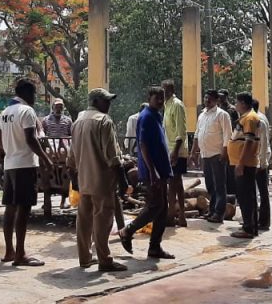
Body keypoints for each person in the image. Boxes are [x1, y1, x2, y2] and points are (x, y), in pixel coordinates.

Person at [67, 88, 130, 272]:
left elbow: (71, 157)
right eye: (106, 101)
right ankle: (105, 260)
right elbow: (112, 156)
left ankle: (84, 257)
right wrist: (123, 181)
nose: (109, 105)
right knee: (103, 220)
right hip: (101, 179)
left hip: (84, 178)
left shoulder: (78, 121)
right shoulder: (104, 121)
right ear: (96, 102)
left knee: (84, 220)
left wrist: (74, 178)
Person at [0, 78, 53, 267]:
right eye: (34, 93)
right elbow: (31, 139)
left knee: (10, 208)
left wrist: (10, 148)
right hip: (25, 165)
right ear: (26, 93)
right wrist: (46, 159)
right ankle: (20, 254)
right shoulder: (27, 111)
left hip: (10, 164)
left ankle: (9, 251)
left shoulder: (4, 113)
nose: (34, 97)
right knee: (24, 209)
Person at [118, 87, 174, 259]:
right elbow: (143, 145)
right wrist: (152, 171)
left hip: (161, 169)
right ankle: (128, 230)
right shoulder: (146, 116)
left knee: (162, 209)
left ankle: (155, 247)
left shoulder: (157, 115)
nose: (160, 101)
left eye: (162, 98)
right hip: (153, 171)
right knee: (155, 206)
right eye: (157, 98)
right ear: (149, 98)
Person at [193, 90, 233, 223]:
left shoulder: (222, 115)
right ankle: (212, 210)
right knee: (210, 185)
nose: (207, 100)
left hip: (217, 154)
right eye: (205, 98)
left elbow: (228, 135)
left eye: (210, 99)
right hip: (205, 154)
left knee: (219, 185)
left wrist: (225, 152)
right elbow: (197, 134)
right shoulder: (202, 115)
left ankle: (219, 213)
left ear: (216, 100)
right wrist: (193, 152)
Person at [229, 92, 261, 239]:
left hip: (245, 163)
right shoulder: (246, 117)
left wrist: (240, 163)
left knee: (245, 196)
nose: (235, 105)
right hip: (242, 162)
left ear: (243, 103)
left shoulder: (250, 118)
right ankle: (250, 225)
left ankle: (249, 228)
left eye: (237, 102)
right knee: (246, 195)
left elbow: (248, 141)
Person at [161, 80, 188, 227]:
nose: (163, 93)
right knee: (177, 184)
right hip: (169, 150)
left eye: (165, 90)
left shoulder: (177, 105)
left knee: (173, 184)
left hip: (176, 150)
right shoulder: (166, 105)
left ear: (171, 90)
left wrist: (175, 152)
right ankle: (181, 215)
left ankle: (171, 215)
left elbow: (181, 131)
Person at [42, 98, 73, 209]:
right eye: (57, 106)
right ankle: (47, 200)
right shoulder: (46, 120)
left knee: (66, 173)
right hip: (50, 147)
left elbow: (71, 134)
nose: (59, 109)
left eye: (61, 107)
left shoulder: (68, 120)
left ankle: (63, 201)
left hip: (64, 148)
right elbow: (43, 134)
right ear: (53, 107)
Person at [252, 100, 272, 231]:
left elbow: (263, 143)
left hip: (260, 159)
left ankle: (263, 222)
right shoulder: (258, 117)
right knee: (255, 191)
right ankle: (254, 220)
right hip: (258, 158)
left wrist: (262, 162)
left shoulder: (259, 120)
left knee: (262, 191)